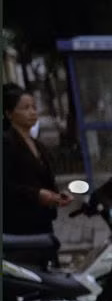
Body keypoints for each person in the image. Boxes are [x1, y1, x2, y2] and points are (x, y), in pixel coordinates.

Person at [3, 86, 72, 258]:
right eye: (25, 108)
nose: (32, 112)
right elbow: (6, 186)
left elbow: (43, 180)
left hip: (42, 221)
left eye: (34, 107)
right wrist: (37, 195)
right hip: (20, 226)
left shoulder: (38, 144)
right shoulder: (6, 143)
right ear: (9, 113)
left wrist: (57, 195)